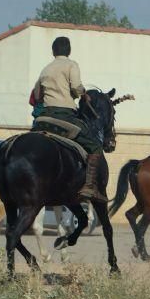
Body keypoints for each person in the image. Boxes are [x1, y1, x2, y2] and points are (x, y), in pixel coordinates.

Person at [31, 36, 107, 202]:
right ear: (69, 50)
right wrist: (83, 92)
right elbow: (76, 87)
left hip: (43, 118)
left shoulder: (45, 69)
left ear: (53, 51)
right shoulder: (72, 65)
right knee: (94, 147)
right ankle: (89, 187)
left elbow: (37, 94)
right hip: (65, 116)